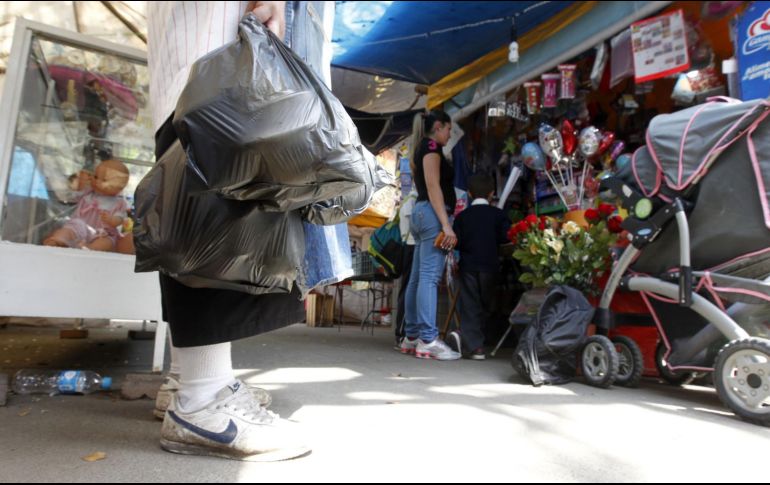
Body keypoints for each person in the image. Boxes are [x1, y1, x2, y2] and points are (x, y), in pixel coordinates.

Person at [144, 1, 334, 462]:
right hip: (220, 60)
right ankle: (202, 402)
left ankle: (189, 381)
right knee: (217, 210)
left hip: (201, 62)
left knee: (199, 207)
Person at [400, 110, 461, 360]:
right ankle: (428, 339)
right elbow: (434, 185)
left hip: (422, 214)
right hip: (432, 215)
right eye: (449, 128)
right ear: (438, 126)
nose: (450, 134)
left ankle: (412, 336)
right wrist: (446, 225)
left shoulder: (423, 146)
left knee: (417, 277)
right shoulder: (432, 147)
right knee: (428, 278)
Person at [448, 174, 510, 360]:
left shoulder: (462, 217)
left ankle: (476, 347)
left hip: (468, 266)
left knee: (470, 304)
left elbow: (456, 243)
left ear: (469, 193)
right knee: (487, 305)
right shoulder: (499, 215)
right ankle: (481, 340)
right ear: (492, 194)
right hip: (490, 267)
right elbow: (506, 238)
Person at [393, 186, 417, 350]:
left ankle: (404, 332)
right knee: (408, 288)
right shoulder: (413, 200)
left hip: (411, 247)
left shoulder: (410, 200)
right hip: (411, 247)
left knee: (409, 288)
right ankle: (401, 333)